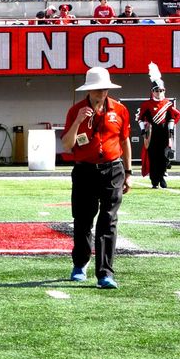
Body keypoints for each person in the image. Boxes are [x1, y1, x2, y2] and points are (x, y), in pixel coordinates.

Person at [61, 66, 132, 290]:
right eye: (97, 89)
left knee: (108, 220)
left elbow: (124, 141)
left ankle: (105, 273)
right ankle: (80, 263)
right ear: (89, 90)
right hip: (84, 171)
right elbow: (67, 144)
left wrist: (129, 172)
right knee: (82, 220)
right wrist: (77, 122)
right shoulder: (75, 110)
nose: (101, 93)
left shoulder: (120, 110)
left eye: (104, 89)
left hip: (112, 169)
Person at [136, 64, 180, 189]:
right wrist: (144, 131)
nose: (159, 92)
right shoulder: (147, 104)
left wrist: (170, 130)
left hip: (164, 134)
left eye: (161, 90)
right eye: (156, 90)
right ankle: (154, 181)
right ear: (152, 91)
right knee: (153, 157)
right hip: (152, 134)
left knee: (163, 157)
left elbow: (173, 117)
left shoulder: (168, 104)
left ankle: (161, 177)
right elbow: (140, 119)